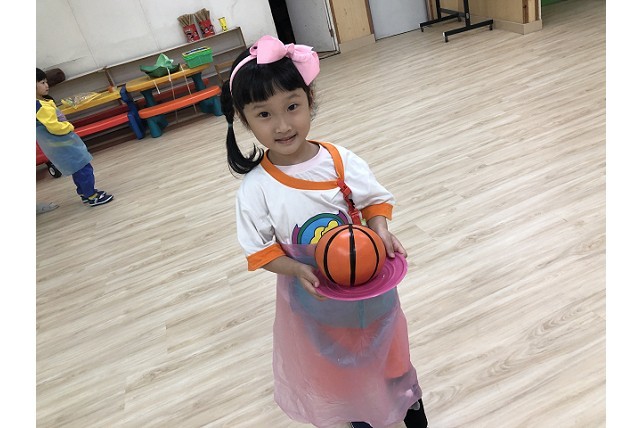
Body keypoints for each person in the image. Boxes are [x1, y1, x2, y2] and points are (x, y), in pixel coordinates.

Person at [222, 35, 428, 428]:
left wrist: (380, 230)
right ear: (244, 120)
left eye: (292, 106)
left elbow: (374, 200)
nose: (283, 125)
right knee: (343, 373)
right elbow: (259, 249)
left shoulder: (338, 159)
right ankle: (359, 414)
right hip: (317, 304)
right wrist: (296, 268)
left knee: (392, 359)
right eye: (264, 114)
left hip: (371, 292)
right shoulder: (256, 188)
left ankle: (408, 405)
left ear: (310, 100)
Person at [36, 68, 113, 207]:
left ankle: (84, 193)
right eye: (42, 83)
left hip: (59, 143)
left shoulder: (42, 102)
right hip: (62, 142)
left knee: (77, 168)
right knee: (84, 167)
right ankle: (92, 196)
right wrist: (68, 126)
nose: (47, 85)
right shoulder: (40, 106)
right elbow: (53, 126)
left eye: (46, 82)